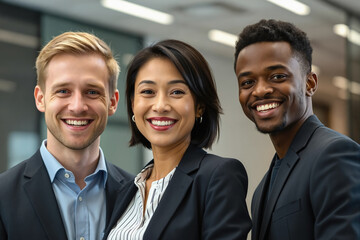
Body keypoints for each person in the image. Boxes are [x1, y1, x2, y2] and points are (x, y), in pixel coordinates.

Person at [103, 39, 252, 239]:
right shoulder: (127, 190)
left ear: (199, 106)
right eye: (148, 92)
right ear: (132, 104)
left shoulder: (218, 177)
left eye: (177, 92)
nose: (161, 105)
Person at [234, 19, 360, 240]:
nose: (260, 90)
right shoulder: (261, 189)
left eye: (278, 76)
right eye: (247, 82)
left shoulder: (334, 155)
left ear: (310, 83)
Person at [0, 32, 133, 240]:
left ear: (112, 102)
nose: (78, 107)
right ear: (40, 99)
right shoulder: (3, 196)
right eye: (63, 91)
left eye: (92, 92)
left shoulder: (137, 196)